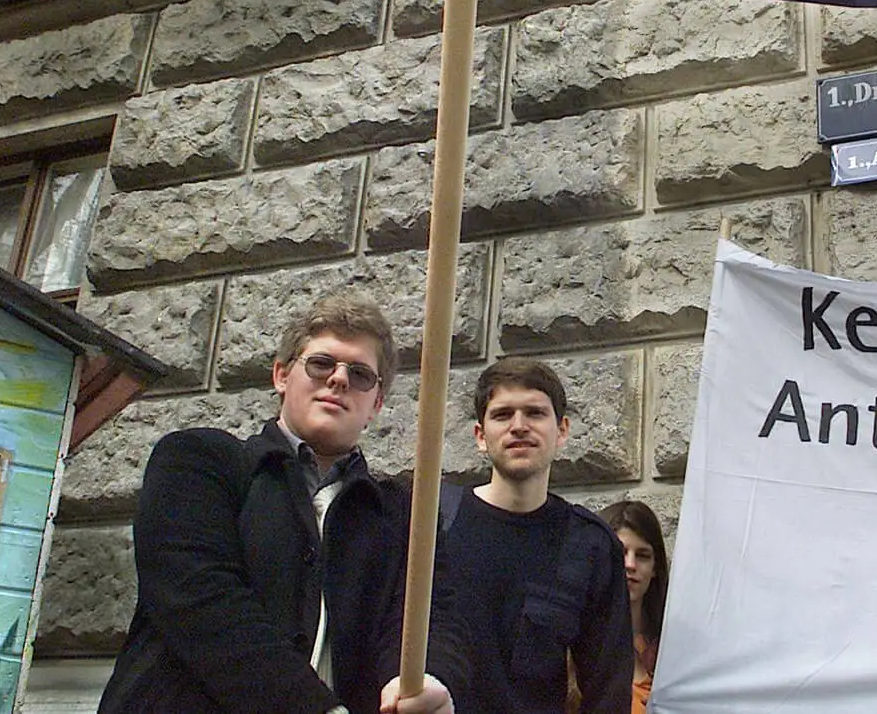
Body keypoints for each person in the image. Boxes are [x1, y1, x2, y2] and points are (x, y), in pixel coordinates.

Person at [98, 293, 463, 714]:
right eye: (321, 364)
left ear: (375, 405)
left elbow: (432, 617)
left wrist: (427, 679)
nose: (339, 380)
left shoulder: (404, 515)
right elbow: (201, 601)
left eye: (361, 374)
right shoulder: (199, 462)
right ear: (281, 376)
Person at [439, 358, 634, 714]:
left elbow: (608, 691)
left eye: (534, 413)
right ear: (481, 436)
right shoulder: (433, 524)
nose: (519, 427)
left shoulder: (590, 546)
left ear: (561, 431)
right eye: (502, 415)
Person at [597, 501, 669, 714]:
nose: (630, 564)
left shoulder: (674, 648)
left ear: (655, 568)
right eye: (620, 552)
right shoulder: (573, 647)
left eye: (643, 555)